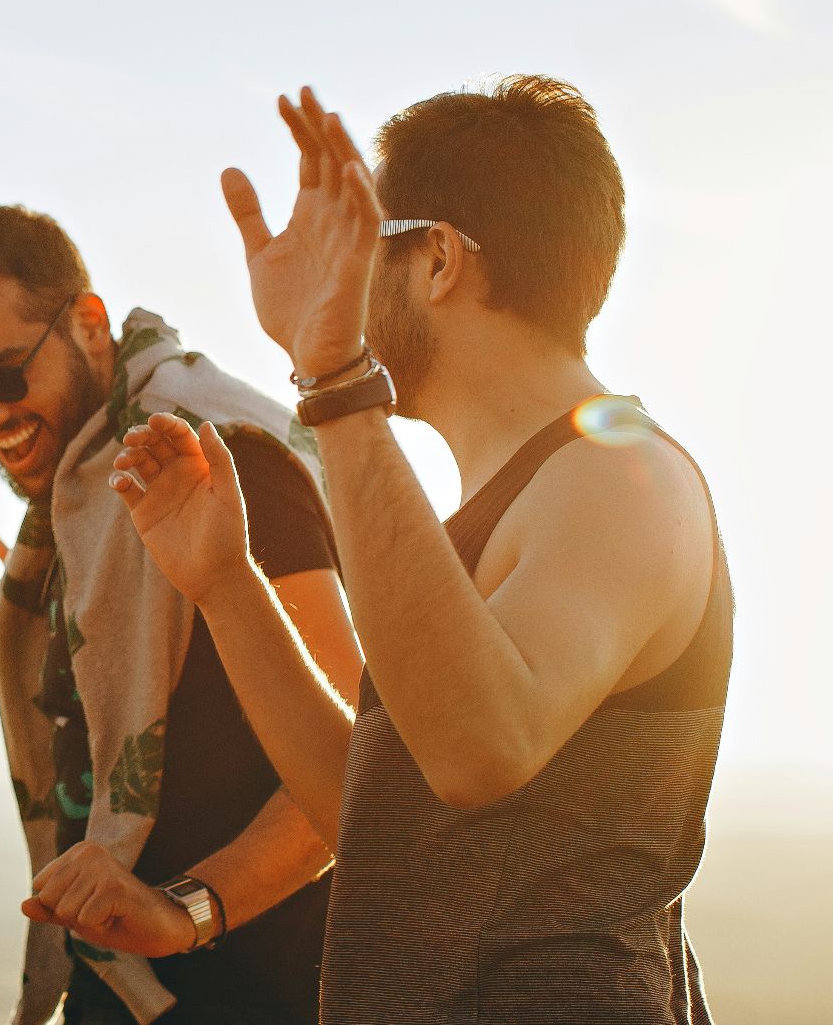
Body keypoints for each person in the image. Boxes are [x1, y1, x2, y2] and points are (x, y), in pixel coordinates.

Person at [35, 79, 733, 1023]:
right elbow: (379, 821)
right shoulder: (508, 502)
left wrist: (331, 377)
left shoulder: (617, 476)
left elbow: (479, 751)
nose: (341, 282)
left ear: (438, 259)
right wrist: (228, 585)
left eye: (360, 247)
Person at [0, 206, 363, 1024]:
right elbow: (157, 660)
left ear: (88, 324)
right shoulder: (90, 483)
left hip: (254, 990)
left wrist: (189, 910)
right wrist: (11, 620)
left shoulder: (222, 459)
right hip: (122, 988)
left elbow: (356, 760)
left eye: (5, 377)